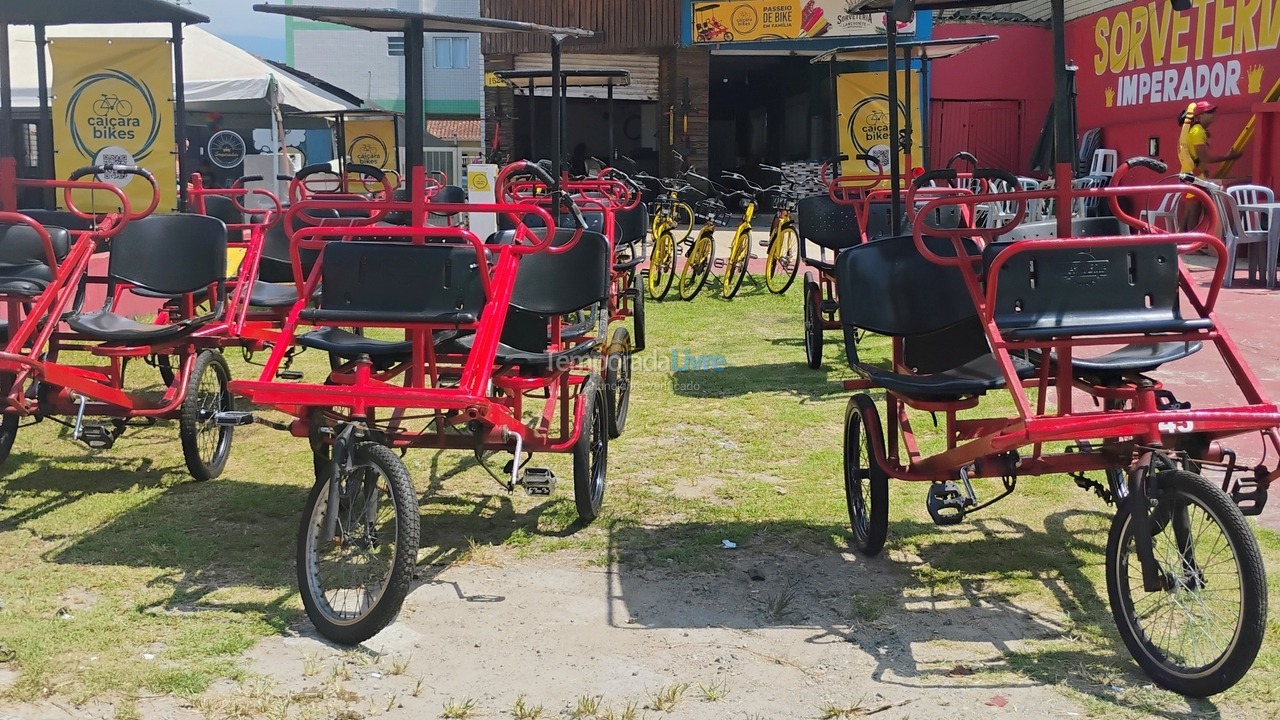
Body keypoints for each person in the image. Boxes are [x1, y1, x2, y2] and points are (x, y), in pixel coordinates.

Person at [1177, 100, 1242, 230]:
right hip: (1192, 176)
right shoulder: (1198, 131)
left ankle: (1181, 243)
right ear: (1200, 116)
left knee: (1191, 211)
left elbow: (1199, 158)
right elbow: (1204, 157)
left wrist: (1203, 170)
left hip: (1190, 175)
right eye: (1209, 112)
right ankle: (1192, 243)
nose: (1213, 114)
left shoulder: (1198, 130)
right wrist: (1229, 157)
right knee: (1194, 211)